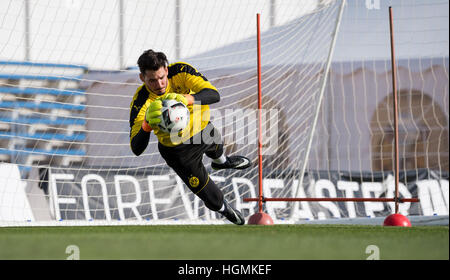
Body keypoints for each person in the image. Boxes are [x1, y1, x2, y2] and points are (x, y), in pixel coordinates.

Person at [129, 49, 251, 225]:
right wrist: (146, 125)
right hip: (178, 151)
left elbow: (214, 95)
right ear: (142, 78)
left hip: (202, 129)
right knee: (211, 197)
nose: (159, 84)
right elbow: (136, 148)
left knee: (217, 146)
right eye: (152, 80)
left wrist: (187, 99)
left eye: (162, 77)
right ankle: (225, 209)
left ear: (166, 69)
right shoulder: (141, 102)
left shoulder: (181, 71)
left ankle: (222, 162)